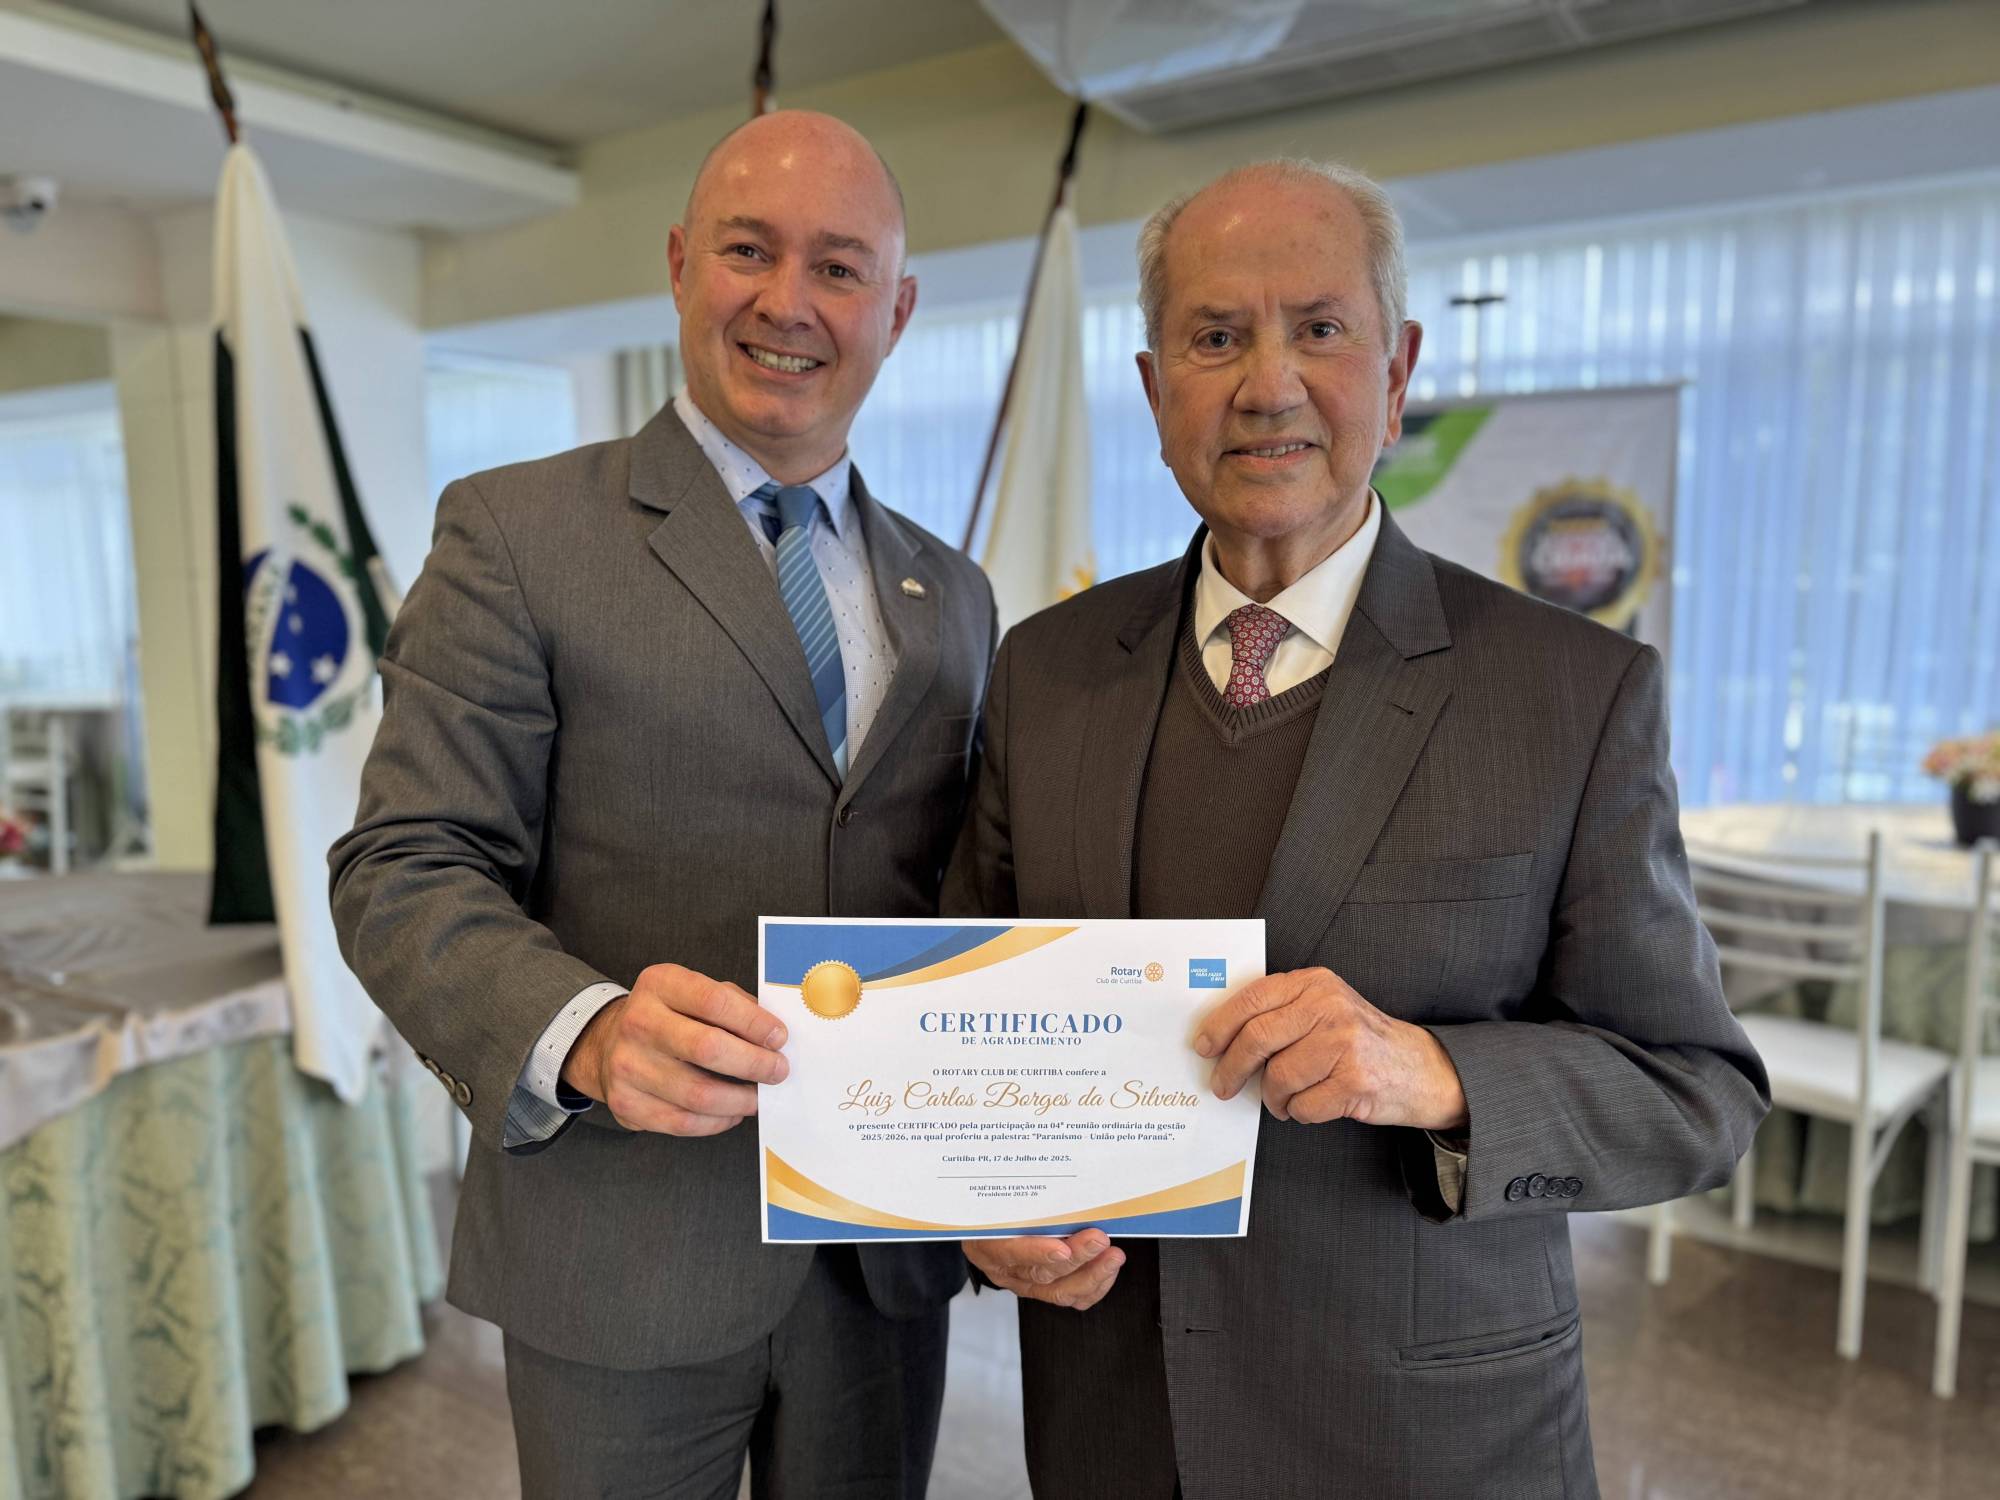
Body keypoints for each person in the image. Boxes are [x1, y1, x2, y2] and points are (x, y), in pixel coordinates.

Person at [944, 158, 1769, 1499]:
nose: (1268, 384)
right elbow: (962, 1016)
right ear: (1154, 391)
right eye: (1217, 337)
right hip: (1115, 1426)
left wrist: (1434, 1074)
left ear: (1398, 375)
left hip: (1428, 1443)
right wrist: (982, 1212)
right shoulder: (1045, 672)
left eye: (1320, 329)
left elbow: (1695, 1092)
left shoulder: (1571, 692)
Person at [330, 110, 994, 1499]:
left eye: (839, 267)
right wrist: (580, 1032)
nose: (788, 302)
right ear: (682, 265)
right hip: (618, 1252)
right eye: (749, 251)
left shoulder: (955, 591)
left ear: (897, 310)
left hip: (882, 1255)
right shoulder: (515, 534)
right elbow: (405, 863)